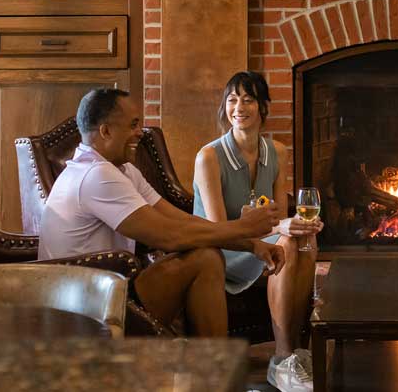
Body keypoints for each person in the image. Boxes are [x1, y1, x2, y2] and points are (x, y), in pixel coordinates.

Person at [39, 88, 285, 337]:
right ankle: (214, 367)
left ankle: (208, 367)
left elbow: (179, 219)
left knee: (206, 254)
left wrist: (251, 244)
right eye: (134, 125)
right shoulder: (96, 175)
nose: (140, 133)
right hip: (84, 306)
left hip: (106, 290)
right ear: (105, 131)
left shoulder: (122, 170)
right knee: (204, 258)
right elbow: (169, 236)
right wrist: (244, 226)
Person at [194, 71, 322, 392]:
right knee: (289, 242)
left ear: (263, 108)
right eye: (232, 100)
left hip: (258, 243)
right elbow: (219, 229)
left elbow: (277, 215)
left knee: (305, 239)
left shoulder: (276, 152)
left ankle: (293, 352)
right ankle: (281, 358)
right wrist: (280, 229)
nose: (239, 107)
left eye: (248, 100)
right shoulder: (209, 156)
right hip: (220, 251)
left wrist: (294, 225)